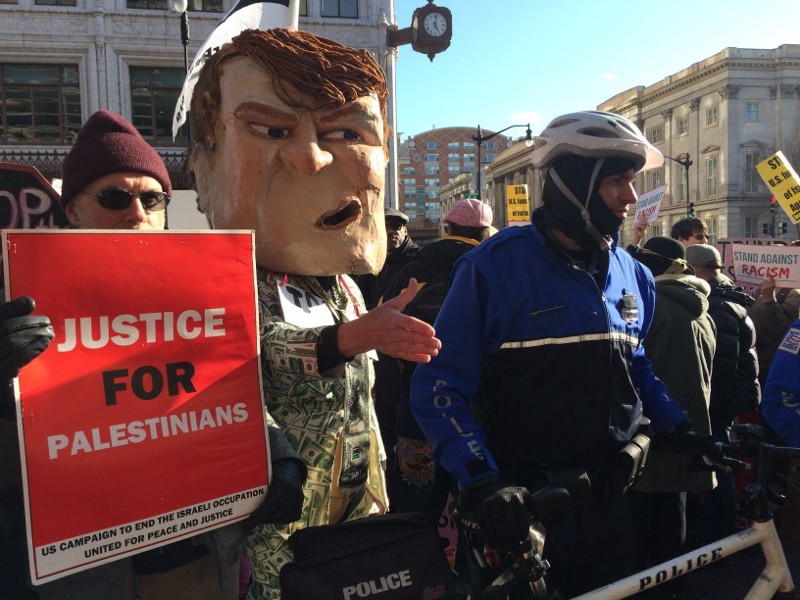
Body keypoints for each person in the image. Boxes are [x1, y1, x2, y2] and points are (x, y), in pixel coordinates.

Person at [0, 109, 306, 600]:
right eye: (114, 197)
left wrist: (280, 457)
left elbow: (224, 388)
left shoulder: (197, 292)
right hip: (92, 571)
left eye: (151, 198)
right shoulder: (20, 304)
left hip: (200, 556)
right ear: (73, 210)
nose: (136, 213)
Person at [410, 111, 718, 597]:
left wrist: (680, 429)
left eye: (632, 181)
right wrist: (481, 480)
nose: (631, 196)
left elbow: (635, 366)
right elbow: (438, 385)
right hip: (523, 508)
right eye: (617, 181)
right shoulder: (492, 268)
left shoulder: (634, 274)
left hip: (610, 502)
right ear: (574, 184)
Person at [186, 28, 441, 599]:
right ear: (203, 166)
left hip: (356, 503)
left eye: (347, 132)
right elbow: (260, 349)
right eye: (272, 130)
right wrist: (351, 337)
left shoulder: (345, 286)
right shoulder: (224, 282)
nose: (311, 156)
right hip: (282, 516)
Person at [379, 198, 493, 515]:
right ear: (485, 232)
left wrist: (390, 409)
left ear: (448, 228)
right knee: (480, 502)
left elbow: (382, 339)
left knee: (415, 506)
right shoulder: (494, 269)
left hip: (417, 404)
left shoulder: (411, 271)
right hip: (479, 410)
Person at [629, 236, 717, 599]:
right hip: (689, 429)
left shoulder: (651, 306)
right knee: (673, 522)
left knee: (640, 533)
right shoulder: (701, 309)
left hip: (653, 431)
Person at [685, 243, 760, 546]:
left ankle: (719, 536)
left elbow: (719, 368)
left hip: (719, 399)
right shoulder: (729, 299)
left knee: (718, 463)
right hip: (731, 396)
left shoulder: (715, 307)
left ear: (695, 270)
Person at [355, 206, 419, 310]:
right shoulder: (369, 263)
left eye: (396, 226)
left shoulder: (419, 260)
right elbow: (359, 301)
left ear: (405, 230)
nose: (390, 231)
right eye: (383, 227)